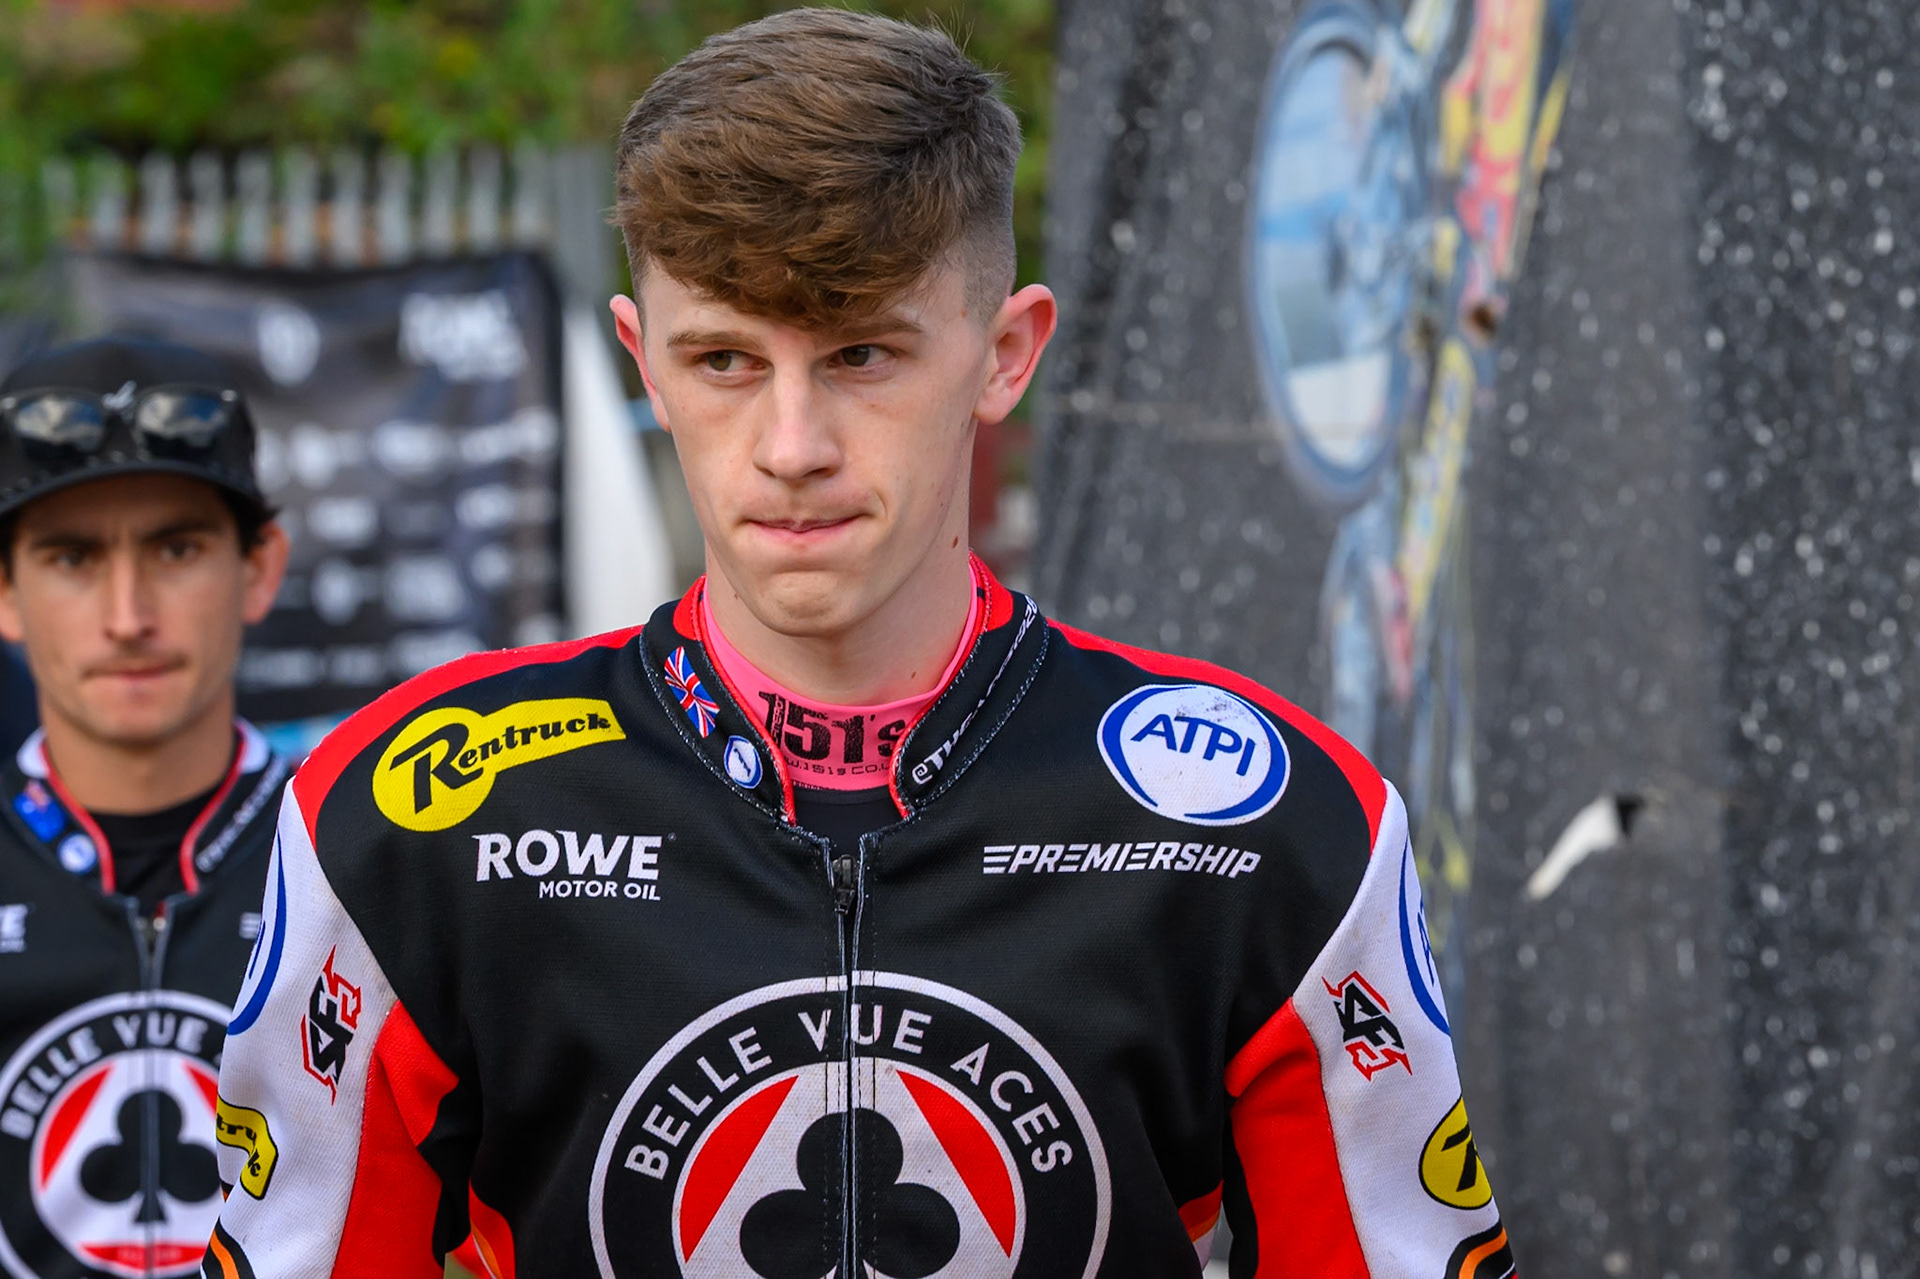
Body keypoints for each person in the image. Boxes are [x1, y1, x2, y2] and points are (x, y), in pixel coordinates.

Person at [205, 10, 1512, 1278]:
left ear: (1006, 355)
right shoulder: (412, 813)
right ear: (642, 364)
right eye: (722, 359)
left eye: (861, 353)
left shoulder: (1274, 820)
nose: (791, 445)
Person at [0, 337, 292, 1276]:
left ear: (258, 569)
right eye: (72, 556)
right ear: (4, 590)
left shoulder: (359, 859)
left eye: (176, 547)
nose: (128, 614)